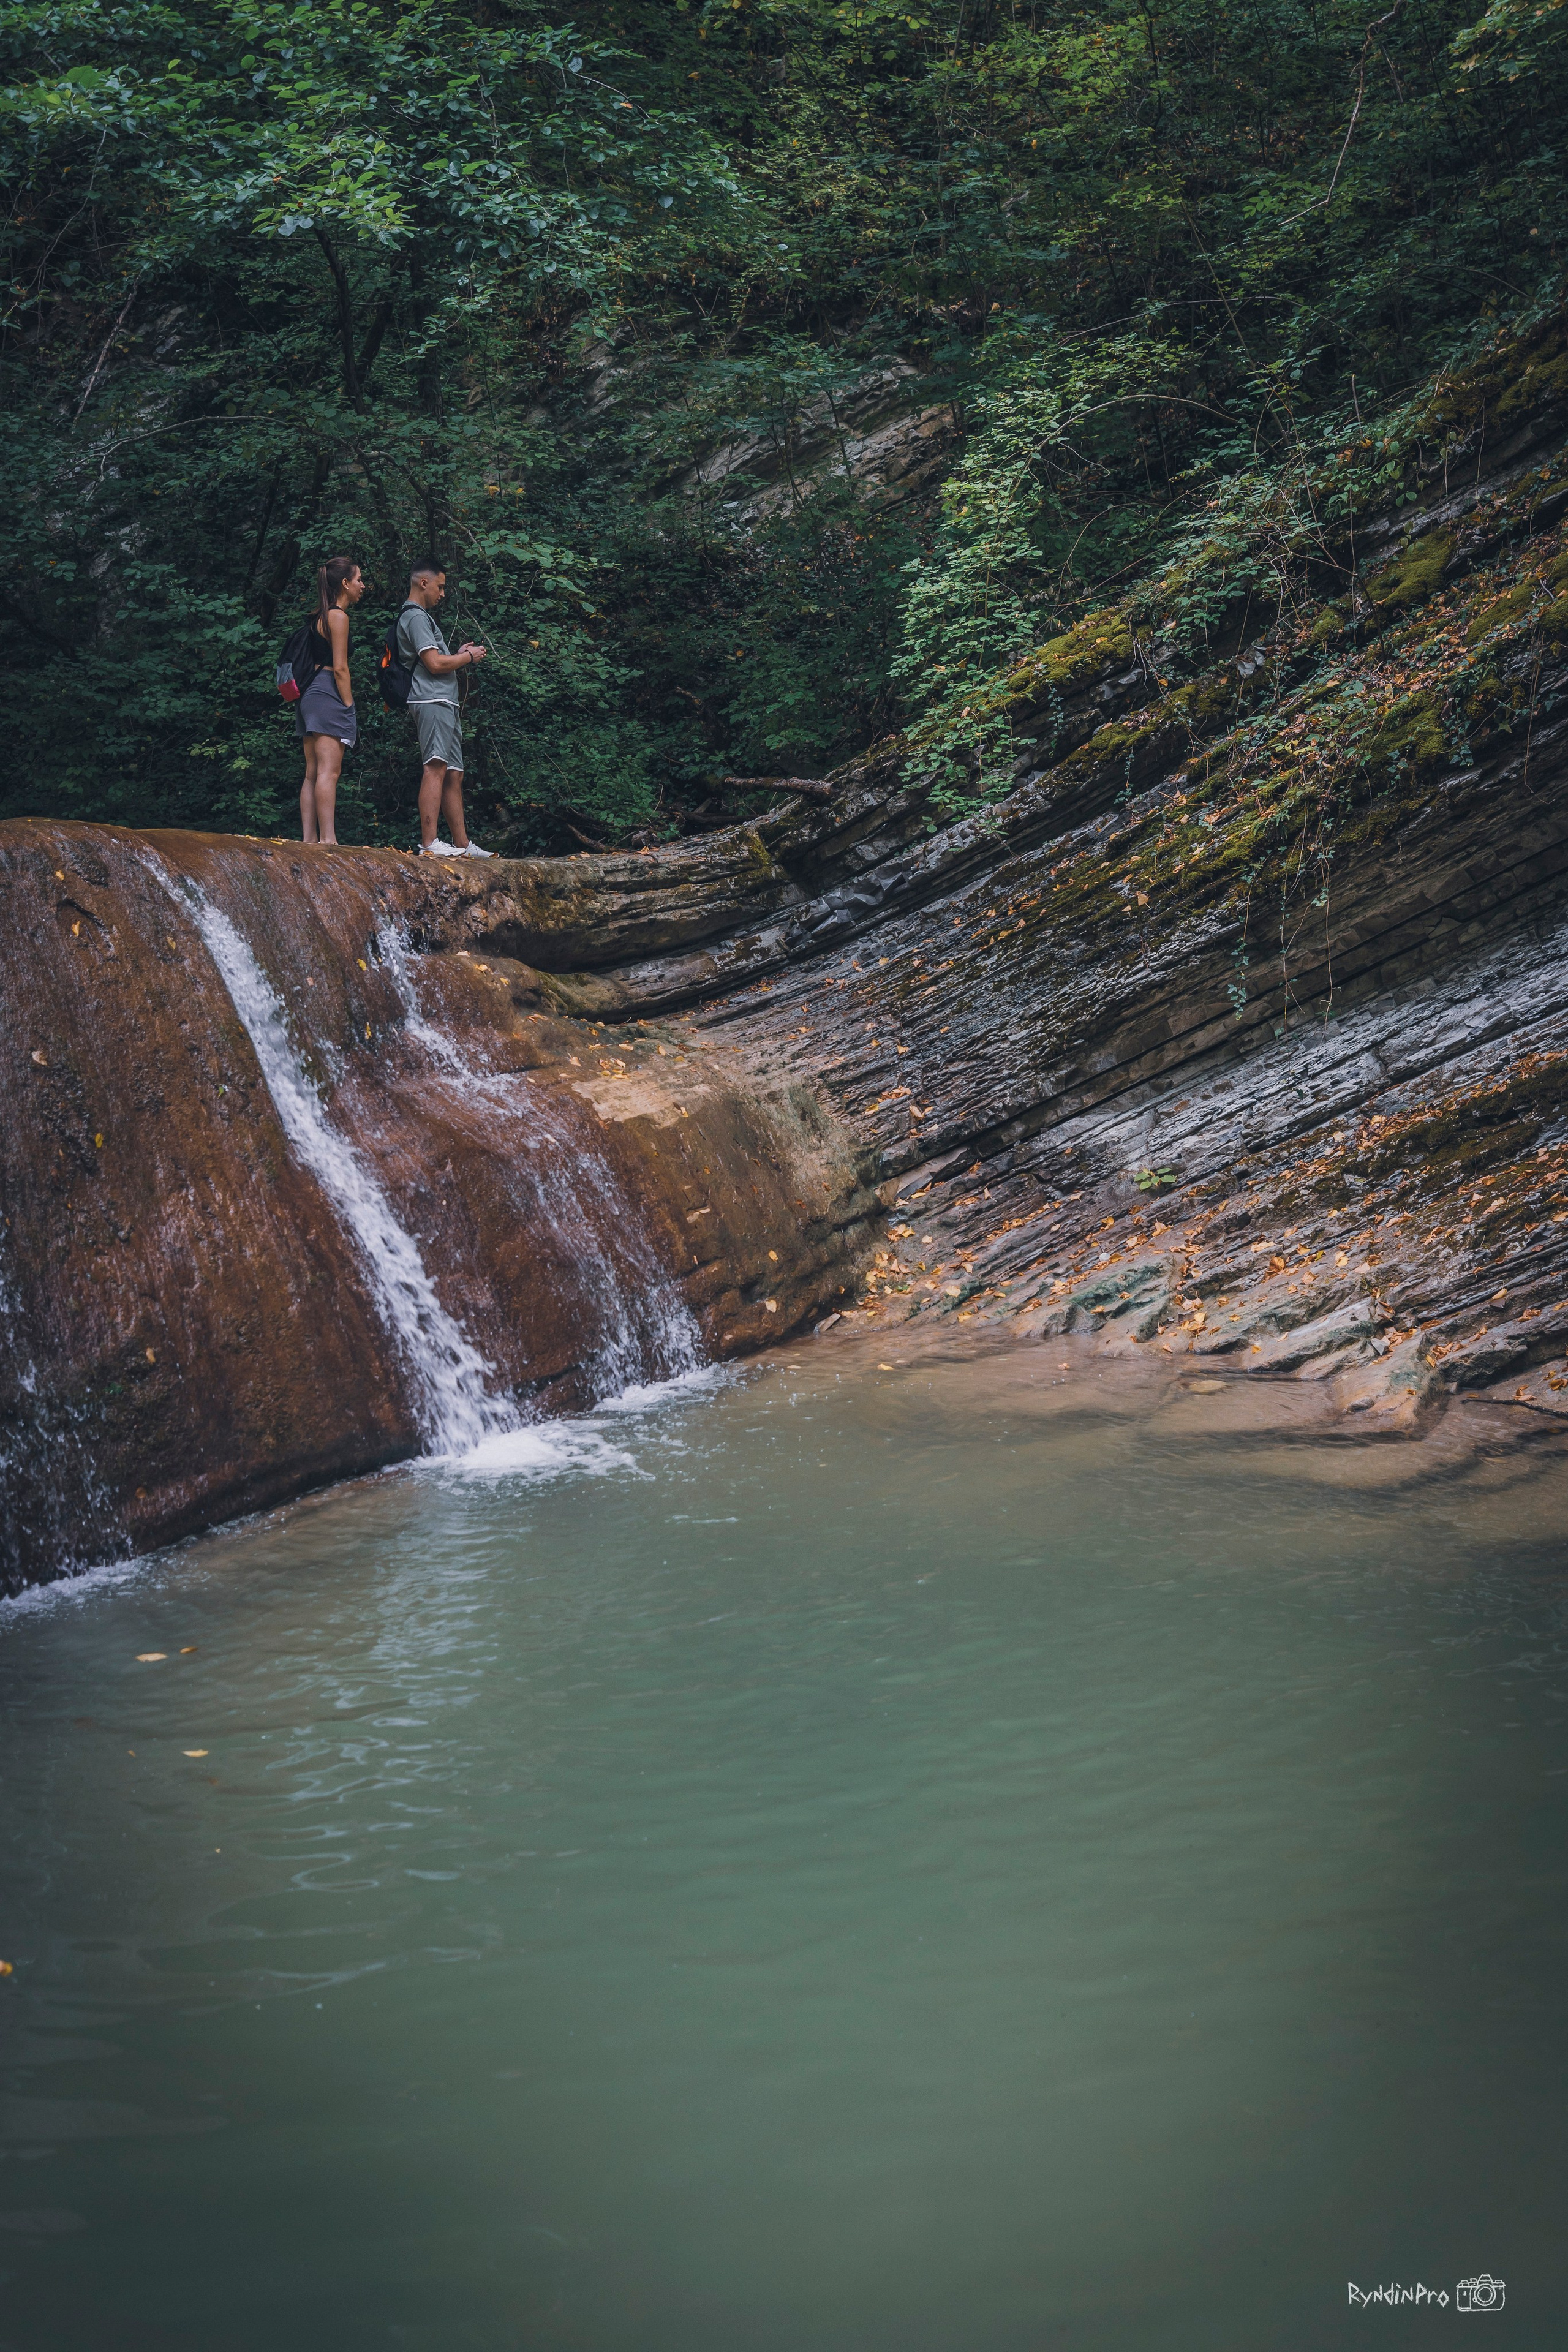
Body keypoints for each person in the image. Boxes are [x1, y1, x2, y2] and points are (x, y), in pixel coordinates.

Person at [397, 561, 493, 857]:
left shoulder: (423, 617)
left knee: (454, 773)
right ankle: (429, 843)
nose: (442, 593)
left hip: (444, 701)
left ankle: (463, 845)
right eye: (440, 586)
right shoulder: (414, 617)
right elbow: (435, 664)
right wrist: (469, 658)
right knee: (436, 765)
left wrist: (458, 654)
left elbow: (438, 659)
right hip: (431, 699)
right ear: (423, 583)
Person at [298, 556, 364, 845]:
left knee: (312, 771)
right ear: (346, 584)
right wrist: (348, 705)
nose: (363, 585)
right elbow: (340, 668)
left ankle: (310, 839)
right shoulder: (338, 617)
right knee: (329, 770)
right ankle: (328, 840)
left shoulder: (317, 616)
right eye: (359, 580)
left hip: (308, 694)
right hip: (327, 692)